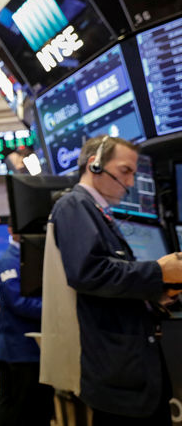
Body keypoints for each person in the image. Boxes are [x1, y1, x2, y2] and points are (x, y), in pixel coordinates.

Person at [43, 135, 182, 425]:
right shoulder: (74, 205)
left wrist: (156, 292)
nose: (130, 183)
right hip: (116, 370)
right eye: (125, 171)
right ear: (94, 166)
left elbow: (110, 281)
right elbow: (89, 273)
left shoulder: (97, 212)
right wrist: (158, 272)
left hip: (132, 368)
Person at [0, 227, 53, 426]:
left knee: (38, 408)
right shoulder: (9, 260)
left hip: (32, 349)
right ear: (11, 230)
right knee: (17, 410)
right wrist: (56, 309)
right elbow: (18, 303)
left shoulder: (32, 255)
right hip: (16, 349)